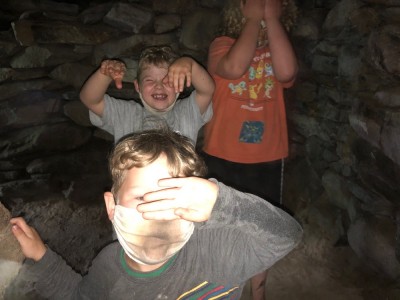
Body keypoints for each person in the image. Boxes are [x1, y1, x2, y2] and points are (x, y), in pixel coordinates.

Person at [10, 129, 302, 299]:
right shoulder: (108, 266)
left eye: (172, 196)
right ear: (112, 207)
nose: (157, 210)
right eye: (141, 196)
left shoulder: (217, 249)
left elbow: (286, 236)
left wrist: (222, 202)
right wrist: (43, 258)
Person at [201, 0, 299, 299]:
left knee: (263, 225)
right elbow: (233, 68)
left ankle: (258, 291)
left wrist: (271, 22)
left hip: (267, 155)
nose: (264, 3)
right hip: (222, 150)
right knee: (219, 221)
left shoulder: (279, 45)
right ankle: (220, 284)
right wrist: (255, 20)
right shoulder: (222, 44)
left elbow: (285, 73)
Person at [80, 46, 215, 144]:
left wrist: (189, 63)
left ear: (179, 85)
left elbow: (207, 90)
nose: (159, 86)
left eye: (167, 80)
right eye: (149, 80)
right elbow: (90, 100)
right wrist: (105, 74)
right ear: (138, 86)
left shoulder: (187, 112)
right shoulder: (125, 114)